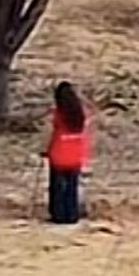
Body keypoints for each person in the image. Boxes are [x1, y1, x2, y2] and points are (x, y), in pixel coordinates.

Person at [44, 81, 90, 224]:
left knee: (57, 186)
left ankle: (58, 214)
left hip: (59, 153)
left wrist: (47, 150)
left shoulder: (59, 114)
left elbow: (54, 133)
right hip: (76, 153)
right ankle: (72, 214)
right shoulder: (81, 114)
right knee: (72, 186)